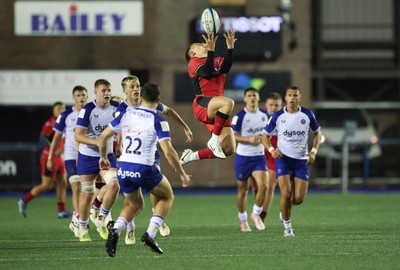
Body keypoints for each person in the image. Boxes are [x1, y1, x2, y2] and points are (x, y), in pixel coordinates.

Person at [98, 83, 191, 256]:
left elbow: (104, 136)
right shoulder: (158, 121)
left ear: (141, 97)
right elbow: (169, 152)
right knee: (167, 196)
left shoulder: (125, 114)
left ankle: (116, 229)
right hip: (144, 167)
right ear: (158, 100)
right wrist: (182, 173)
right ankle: (151, 233)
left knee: (135, 204)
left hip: (123, 168)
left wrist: (103, 157)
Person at [262, 86, 322, 237]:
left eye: (295, 95)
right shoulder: (277, 116)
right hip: (283, 159)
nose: (293, 98)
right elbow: (264, 136)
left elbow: (317, 134)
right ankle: (288, 229)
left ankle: (284, 210)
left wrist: (314, 152)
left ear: (299, 98)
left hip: (301, 160)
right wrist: (271, 150)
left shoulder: (307, 114)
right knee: (286, 193)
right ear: (286, 98)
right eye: (290, 95)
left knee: (298, 199)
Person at [179, 30, 237, 166]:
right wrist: (210, 51)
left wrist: (230, 48)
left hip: (218, 108)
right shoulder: (193, 62)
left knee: (229, 148)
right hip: (202, 104)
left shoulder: (215, 60)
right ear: (192, 53)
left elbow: (226, 68)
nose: (202, 43)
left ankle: (190, 156)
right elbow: (207, 72)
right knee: (229, 103)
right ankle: (214, 140)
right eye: (198, 44)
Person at [74, 79, 120, 242]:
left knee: (114, 185)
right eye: (103, 90)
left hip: (107, 156)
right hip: (87, 156)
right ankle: (83, 227)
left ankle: (101, 218)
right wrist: (97, 141)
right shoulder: (87, 110)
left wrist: (118, 144)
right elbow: (78, 135)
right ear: (95, 92)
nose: (107, 93)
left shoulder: (116, 106)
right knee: (87, 194)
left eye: (109, 90)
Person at [46, 86, 88, 237]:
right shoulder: (65, 115)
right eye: (78, 95)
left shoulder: (91, 113)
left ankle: (81, 217)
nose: (81, 98)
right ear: (73, 98)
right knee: (76, 187)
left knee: (87, 190)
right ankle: (77, 217)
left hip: (87, 156)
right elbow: (56, 137)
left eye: (84, 95)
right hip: (71, 157)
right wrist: (51, 157)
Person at [18, 102, 70, 219]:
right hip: (49, 157)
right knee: (46, 185)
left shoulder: (65, 120)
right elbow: (43, 138)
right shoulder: (50, 122)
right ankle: (23, 200)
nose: (61, 110)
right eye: (58, 108)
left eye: (63, 108)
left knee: (62, 183)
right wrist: (53, 148)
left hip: (59, 158)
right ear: (53, 110)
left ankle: (61, 211)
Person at [231, 87, 268, 232]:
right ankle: (243, 219)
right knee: (243, 189)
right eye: (249, 95)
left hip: (259, 156)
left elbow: (270, 132)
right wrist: (248, 138)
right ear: (245, 98)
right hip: (243, 157)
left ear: (258, 98)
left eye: (255, 95)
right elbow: (232, 135)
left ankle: (256, 214)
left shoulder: (265, 115)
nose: (252, 98)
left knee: (263, 186)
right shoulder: (240, 116)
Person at [259, 92, 283, 223]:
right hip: (259, 153)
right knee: (258, 186)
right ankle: (257, 209)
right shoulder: (259, 115)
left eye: (276, 105)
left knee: (270, 186)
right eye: (271, 105)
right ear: (266, 105)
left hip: (275, 153)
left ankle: (261, 216)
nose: (273, 108)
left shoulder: (284, 116)